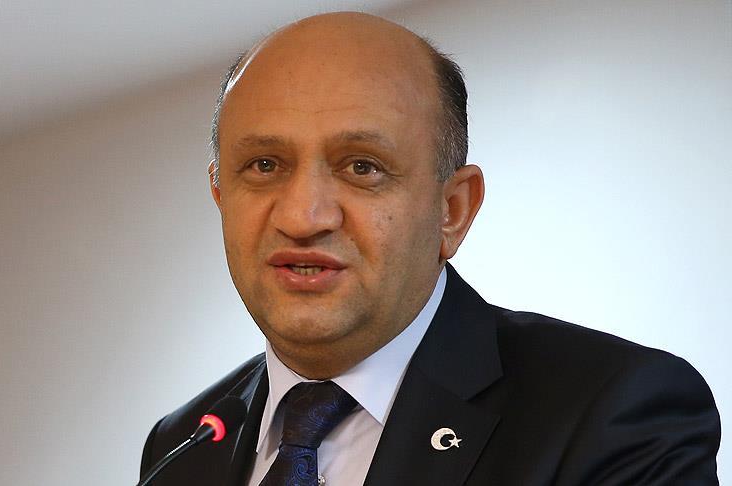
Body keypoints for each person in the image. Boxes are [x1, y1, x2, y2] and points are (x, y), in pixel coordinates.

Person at [140, 12, 720, 485]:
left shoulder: (611, 414)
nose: (302, 217)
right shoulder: (181, 444)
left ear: (453, 210)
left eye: (362, 167)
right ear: (220, 193)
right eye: (265, 165)